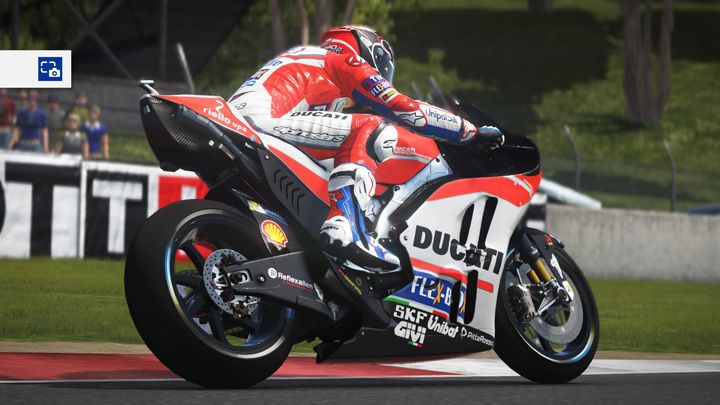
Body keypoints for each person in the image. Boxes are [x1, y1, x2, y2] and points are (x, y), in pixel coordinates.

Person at [228, 25, 504, 273]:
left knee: (341, 154)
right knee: (376, 128)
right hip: (262, 123)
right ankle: (343, 225)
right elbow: (405, 109)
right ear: (367, 51)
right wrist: (469, 132)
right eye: (381, 66)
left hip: (244, 123)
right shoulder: (342, 59)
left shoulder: (310, 65)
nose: (381, 74)